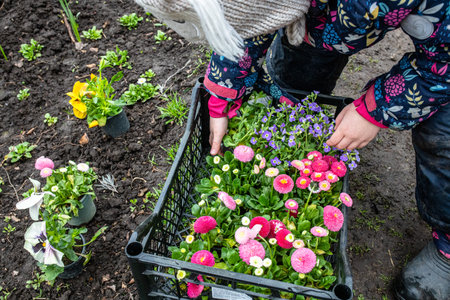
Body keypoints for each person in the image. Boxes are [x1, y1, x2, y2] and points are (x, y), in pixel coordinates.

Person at [136, 0, 449, 299]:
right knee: (294, 76)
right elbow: (245, 18)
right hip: (323, 17)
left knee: (442, 137)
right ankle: (291, 108)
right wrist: (225, 87)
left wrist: (378, 108)